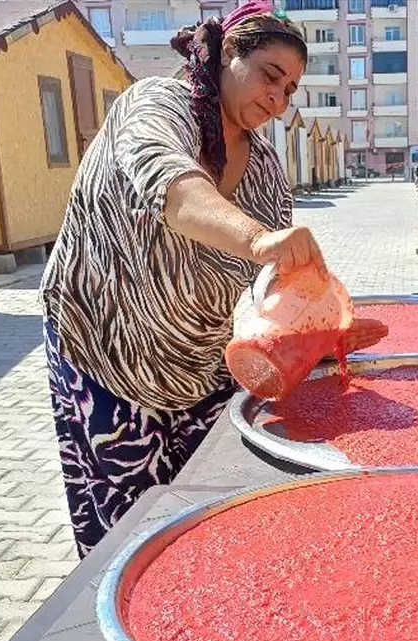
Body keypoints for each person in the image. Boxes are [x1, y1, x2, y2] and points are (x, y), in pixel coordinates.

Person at [39, 1, 386, 557]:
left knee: (206, 522)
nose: (278, 97)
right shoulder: (156, 105)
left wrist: (323, 334)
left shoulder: (267, 168)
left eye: (291, 89)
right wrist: (256, 240)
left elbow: (275, 290)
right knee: (128, 534)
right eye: (270, 76)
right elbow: (173, 185)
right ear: (227, 53)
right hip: (107, 348)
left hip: (204, 365)